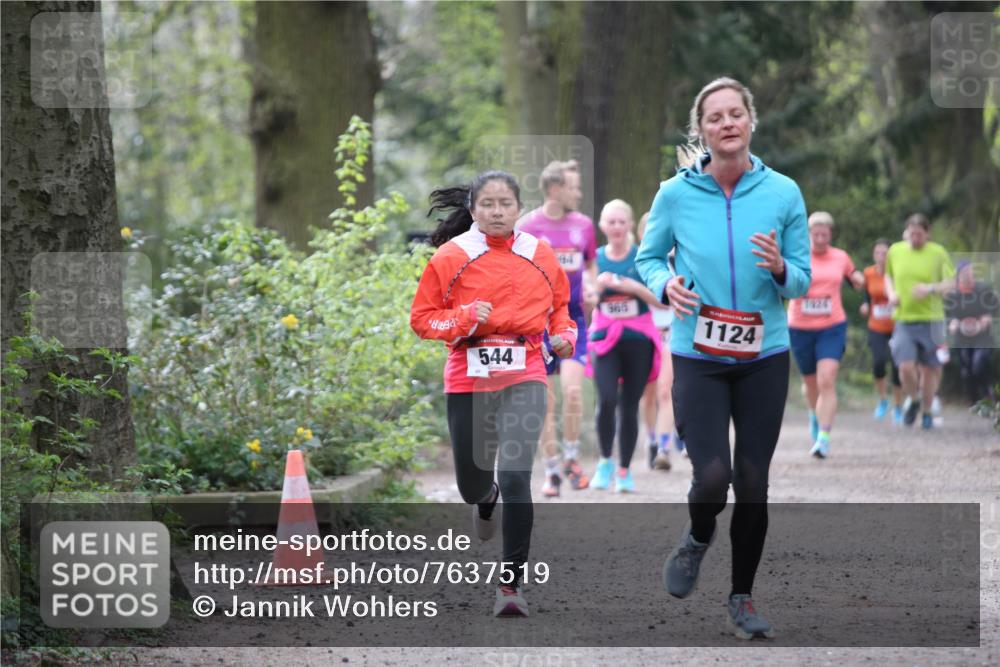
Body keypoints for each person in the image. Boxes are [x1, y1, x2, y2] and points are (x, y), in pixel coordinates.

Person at [637, 77, 810, 640]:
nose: (728, 123)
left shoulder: (783, 193)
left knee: (753, 482)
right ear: (701, 129)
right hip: (698, 352)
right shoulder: (675, 194)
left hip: (764, 352)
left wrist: (782, 270)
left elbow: (802, 277)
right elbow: (648, 256)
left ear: (751, 121)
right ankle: (696, 536)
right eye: (716, 117)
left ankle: (742, 598)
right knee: (712, 475)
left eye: (736, 114)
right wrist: (667, 286)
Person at [410, 170, 577, 617]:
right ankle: (486, 500)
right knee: (471, 484)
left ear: (519, 209)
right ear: (473, 209)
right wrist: (463, 317)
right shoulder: (452, 255)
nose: (497, 211)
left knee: (519, 473)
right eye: (488, 204)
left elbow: (561, 309)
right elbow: (423, 318)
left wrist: (564, 337)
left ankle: (510, 586)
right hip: (468, 372)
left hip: (525, 370)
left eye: (505, 203)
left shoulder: (539, 253)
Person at [518, 160, 595, 497]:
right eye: (573, 187)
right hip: (539, 325)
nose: (578, 193)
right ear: (554, 189)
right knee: (544, 403)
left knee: (574, 392)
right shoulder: (527, 227)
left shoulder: (584, 226)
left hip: (574, 320)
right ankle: (551, 471)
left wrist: (591, 286)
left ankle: (572, 458)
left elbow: (590, 266)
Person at [587, 200, 662, 492]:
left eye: (622, 222)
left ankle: (624, 470)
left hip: (639, 340)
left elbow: (661, 300)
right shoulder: (594, 259)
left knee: (630, 405)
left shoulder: (642, 258)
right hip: (605, 338)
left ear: (630, 225)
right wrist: (597, 290)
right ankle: (605, 461)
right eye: (611, 222)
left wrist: (632, 288)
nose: (617, 227)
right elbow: (585, 302)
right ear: (603, 226)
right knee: (607, 399)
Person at [787, 212, 865, 458]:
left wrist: (858, 278)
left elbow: (854, 276)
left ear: (830, 234)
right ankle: (814, 413)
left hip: (832, 326)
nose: (820, 238)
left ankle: (823, 437)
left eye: (824, 233)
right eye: (815, 234)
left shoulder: (840, 257)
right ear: (808, 234)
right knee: (810, 384)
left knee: (826, 379)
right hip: (800, 327)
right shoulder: (796, 255)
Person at [884, 213, 956, 429]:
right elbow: (888, 276)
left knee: (930, 369)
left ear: (927, 233)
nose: (915, 238)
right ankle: (914, 400)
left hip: (932, 320)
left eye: (919, 234)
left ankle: (926, 411)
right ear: (907, 232)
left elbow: (952, 282)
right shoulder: (895, 250)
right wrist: (891, 294)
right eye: (912, 234)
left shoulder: (938, 252)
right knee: (905, 367)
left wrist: (930, 288)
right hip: (904, 319)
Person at [637, 213, 684, 470]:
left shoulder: (678, 261)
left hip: (671, 332)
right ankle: (652, 439)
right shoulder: (636, 264)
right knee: (649, 395)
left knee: (666, 390)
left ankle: (664, 448)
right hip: (645, 335)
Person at [861, 238, 904, 424]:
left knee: (896, 367)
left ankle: (899, 406)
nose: (881, 257)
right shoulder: (868, 273)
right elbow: (866, 296)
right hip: (876, 326)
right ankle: (883, 400)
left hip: (897, 326)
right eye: (877, 253)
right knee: (878, 363)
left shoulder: (898, 272)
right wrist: (864, 305)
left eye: (884, 253)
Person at [946, 260, 998, 405]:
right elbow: (948, 315)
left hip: (982, 337)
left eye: (970, 271)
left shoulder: (983, 289)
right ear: (959, 275)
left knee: (979, 364)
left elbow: (995, 307)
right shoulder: (953, 294)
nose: (968, 275)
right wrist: (952, 323)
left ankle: (988, 395)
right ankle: (974, 401)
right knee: (966, 370)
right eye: (965, 272)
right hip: (962, 338)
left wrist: (987, 317)